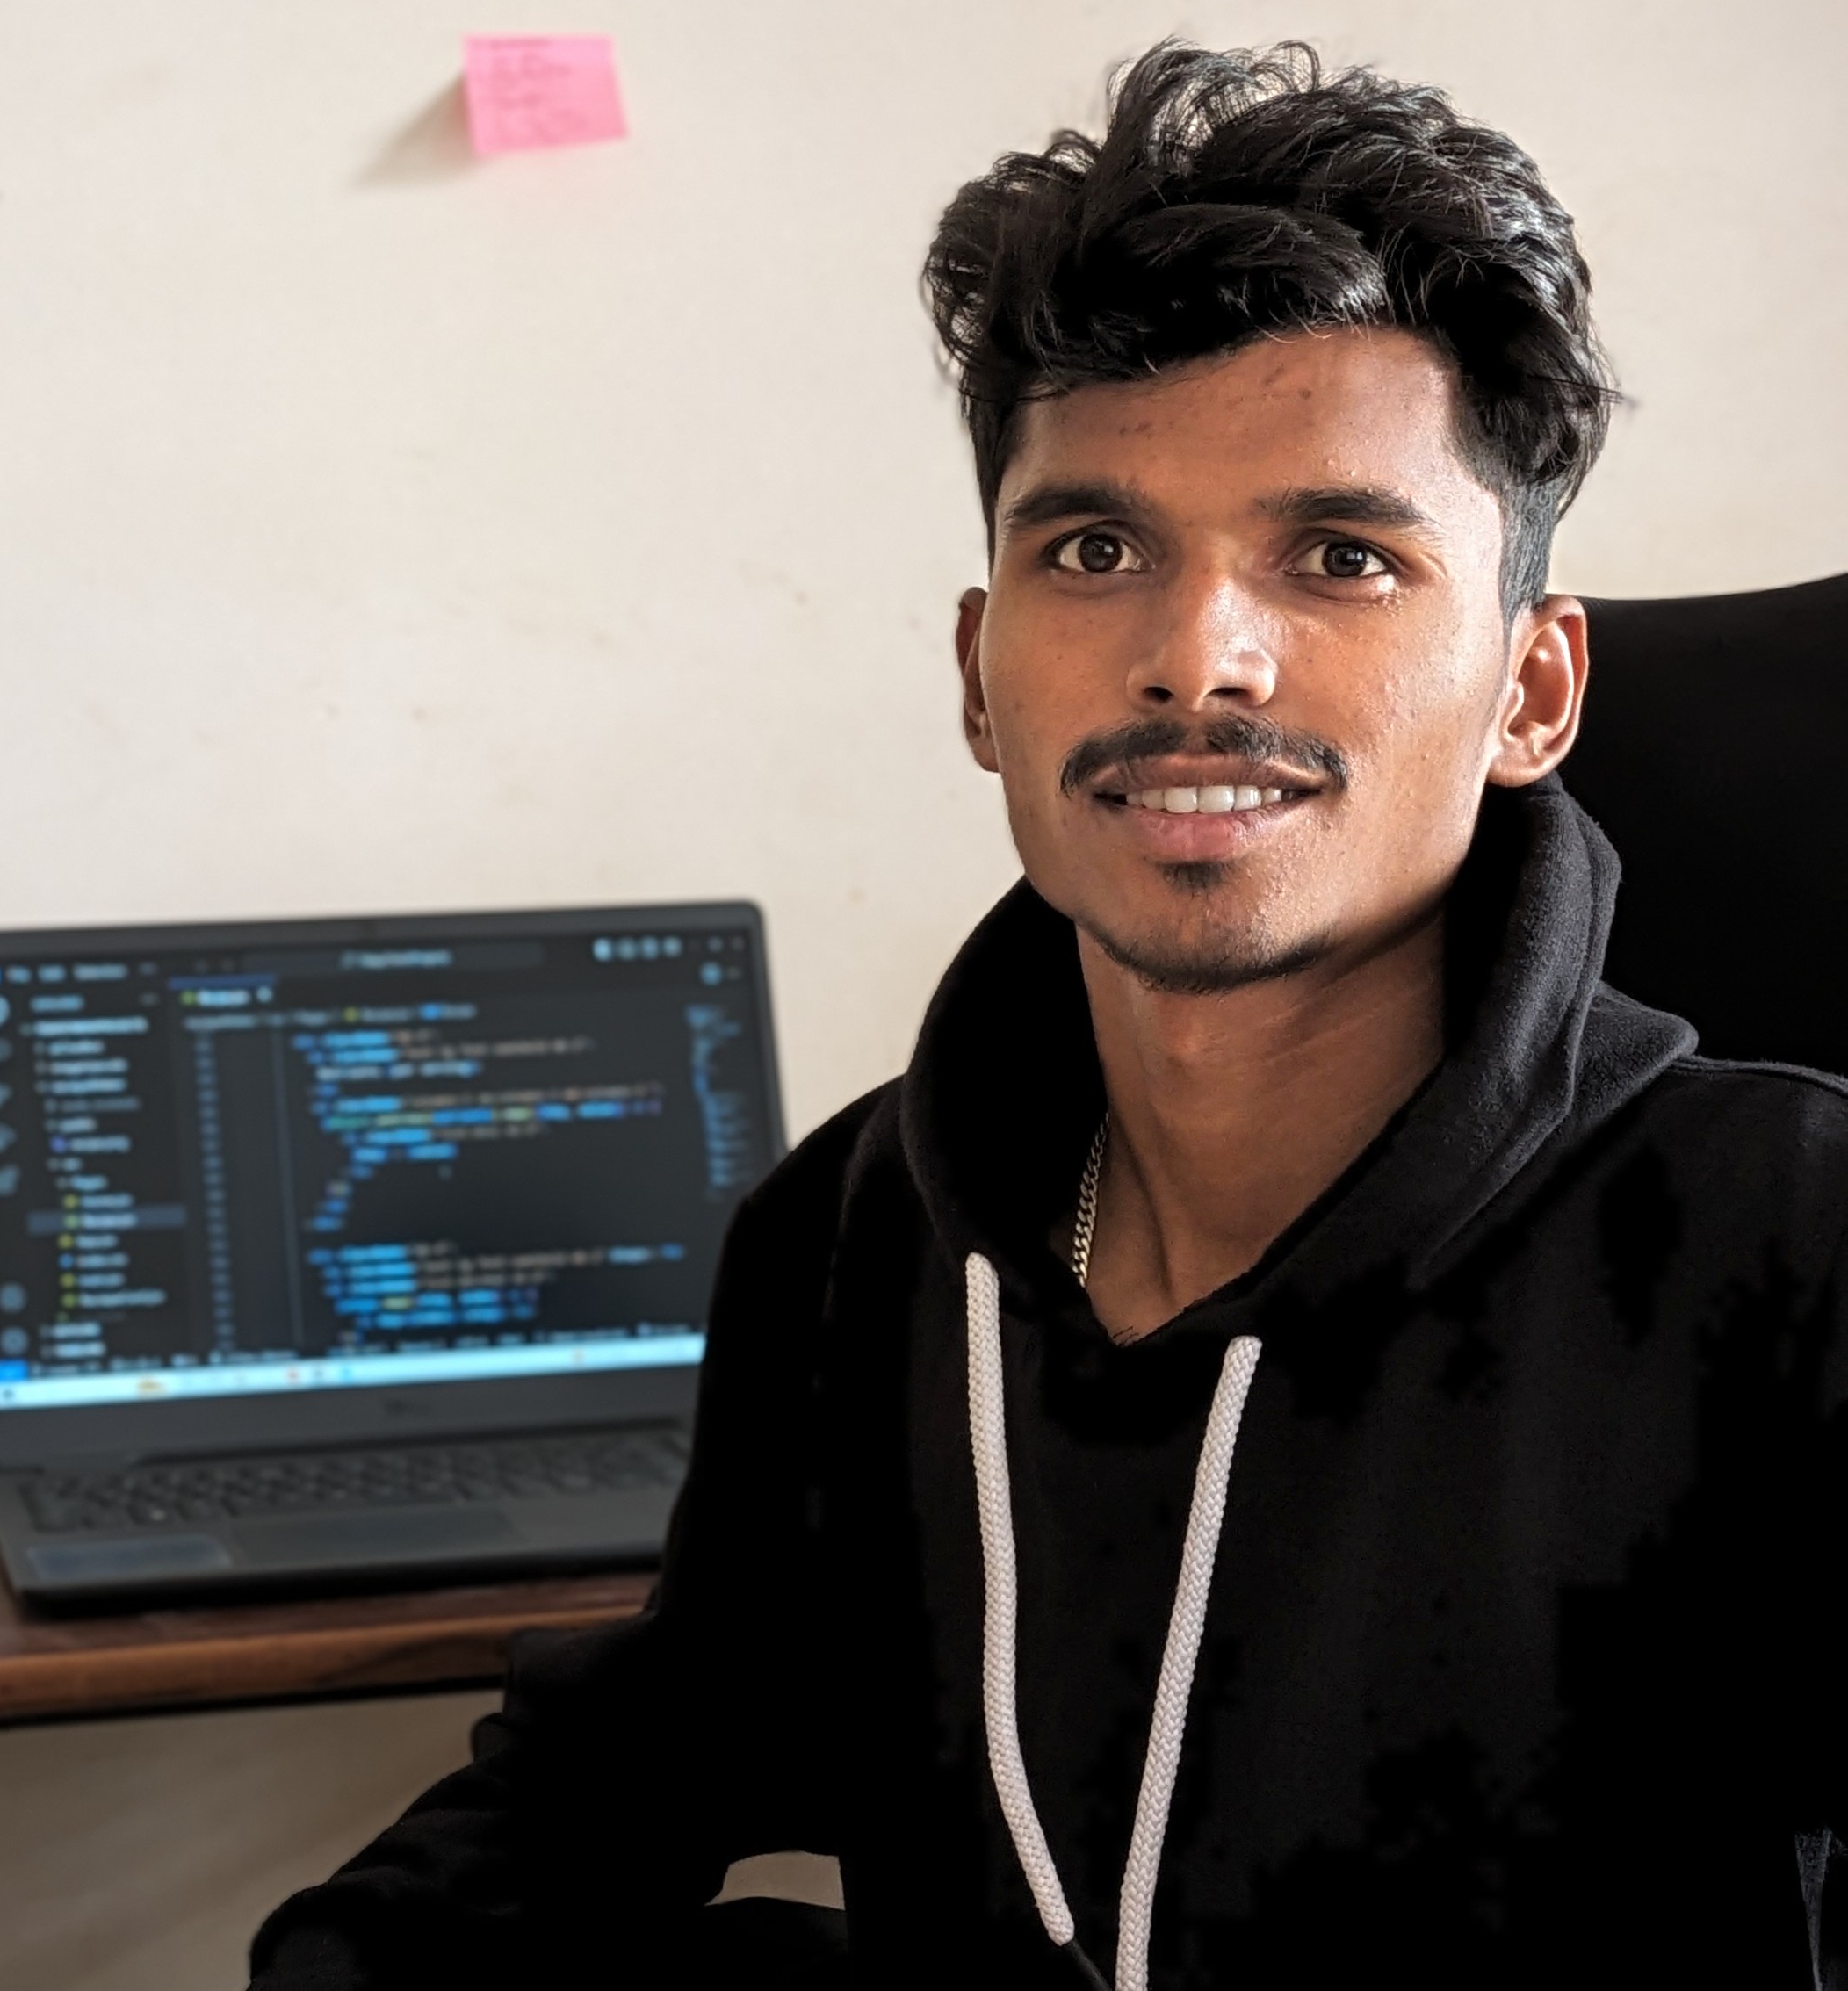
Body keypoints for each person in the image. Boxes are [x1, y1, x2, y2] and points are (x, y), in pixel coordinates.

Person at [249, 41, 1848, 1989]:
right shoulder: (856, 1231)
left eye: (1341, 557)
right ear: (980, 674)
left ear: (1531, 692)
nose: (1199, 657)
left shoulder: (1790, 1244)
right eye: (1095, 551)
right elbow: (628, 1767)